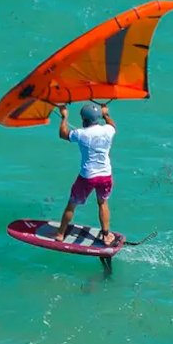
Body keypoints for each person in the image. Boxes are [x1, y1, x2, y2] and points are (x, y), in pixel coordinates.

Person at [54, 102, 120, 247]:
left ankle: (60, 234)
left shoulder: (81, 134)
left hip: (88, 177)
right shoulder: (109, 130)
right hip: (105, 175)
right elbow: (112, 125)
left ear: (84, 120)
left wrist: (64, 117)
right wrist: (106, 114)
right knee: (102, 203)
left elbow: (63, 134)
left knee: (72, 205)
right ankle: (106, 235)